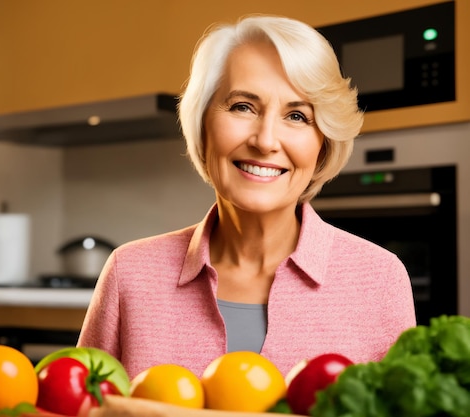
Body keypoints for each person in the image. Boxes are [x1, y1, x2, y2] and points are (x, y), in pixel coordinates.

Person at [77, 14, 416, 380]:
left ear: (323, 144)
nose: (265, 141)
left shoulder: (379, 279)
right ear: (203, 124)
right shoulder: (130, 273)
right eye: (243, 107)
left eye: (298, 116)